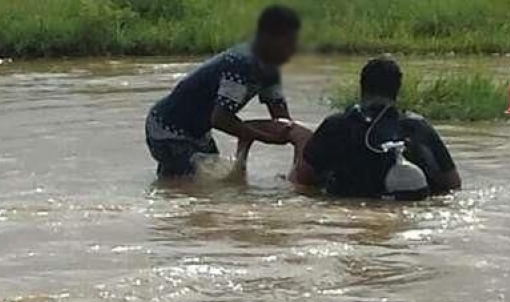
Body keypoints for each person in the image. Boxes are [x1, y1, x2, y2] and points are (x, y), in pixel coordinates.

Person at [145, 5, 301, 178]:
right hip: (167, 130)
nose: (292, 49)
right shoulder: (242, 63)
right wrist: (263, 137)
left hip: (197, 133)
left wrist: (297, 140)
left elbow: (281, 118)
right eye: (288, 42)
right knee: (194, 186)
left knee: (194, 185)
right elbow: (220, 119)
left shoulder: (270, 68)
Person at [291, 57, 462, 199]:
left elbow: (301, 181)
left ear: (362, 86)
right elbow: (453, 184)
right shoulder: (417, 126)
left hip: (350, 208)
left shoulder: (335, 125)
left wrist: (300, 141)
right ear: (398, 88)